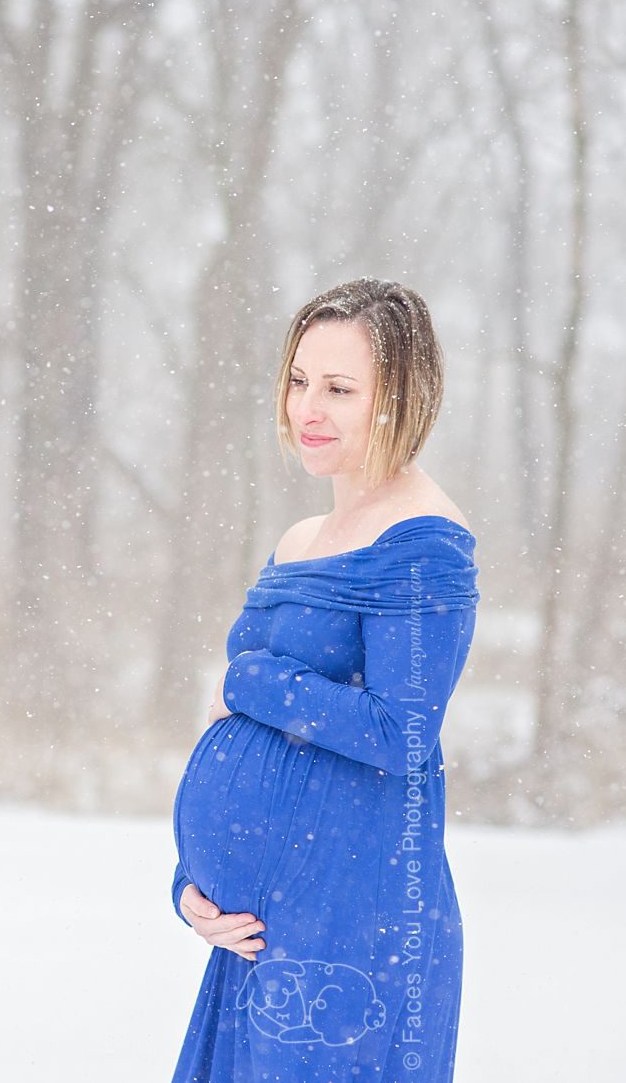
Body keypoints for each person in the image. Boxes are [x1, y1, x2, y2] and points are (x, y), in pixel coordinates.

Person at [167, 278, 480, 1083]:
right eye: (299, 380)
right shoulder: (301, 537)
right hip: (262, 934)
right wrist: (197, 884)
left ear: (401, 396)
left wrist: (251, 679)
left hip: (354, 929)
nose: (308, 408)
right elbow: (248, 733)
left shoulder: (424, 544)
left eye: (340, 389)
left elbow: (401, 733)